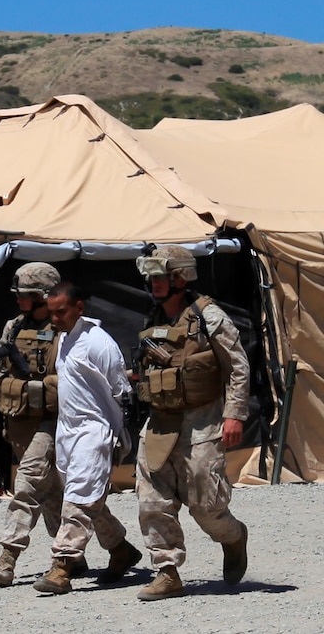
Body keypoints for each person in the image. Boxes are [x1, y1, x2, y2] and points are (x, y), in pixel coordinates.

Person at [133, 245, 250, 601]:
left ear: (180, 278)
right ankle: (167, 571)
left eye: (160, 277)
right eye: (151, 277)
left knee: (206, 505)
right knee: (152, 501)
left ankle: (233, 538)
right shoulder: (152, 318)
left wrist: (234, 414)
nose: (154, 283)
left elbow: (238, 366)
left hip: (203, 423)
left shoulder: (208, 317)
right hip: (159, 424)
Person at [0, 262, 90, 586]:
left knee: (27, 485)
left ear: (42, 296)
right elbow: (0, 371)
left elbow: (77, 378)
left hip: (54, 421)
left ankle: (7, 558)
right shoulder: (14, 327)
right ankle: (73, 556)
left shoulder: (66, 330)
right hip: (20, 422)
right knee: (52, 491)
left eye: (25, 295)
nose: (18, 300)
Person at [33, 281, 141, 595]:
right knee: (85, 497)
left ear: (79, 308)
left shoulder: (99, 343)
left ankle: (62, 565)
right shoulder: (65, 340)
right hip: (68, 431)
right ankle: (121, 549)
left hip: (95, 431)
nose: (55, 319)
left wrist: (118, 435)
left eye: (61, 312)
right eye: (51, 313)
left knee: (80, 497)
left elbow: (121, 391)